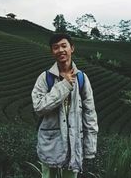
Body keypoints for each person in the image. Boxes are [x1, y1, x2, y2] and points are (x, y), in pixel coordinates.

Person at [32, 33, 98, 177]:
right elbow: (38, 107)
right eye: (56, 47)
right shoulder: (44, 78)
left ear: (71, 48)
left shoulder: (82, 78)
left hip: (74, 142)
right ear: (52, 52)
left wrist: (90, 147)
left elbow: (90, 113)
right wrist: (65, 85)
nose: (61, 50)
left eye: (64, 46)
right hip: (51, 141)